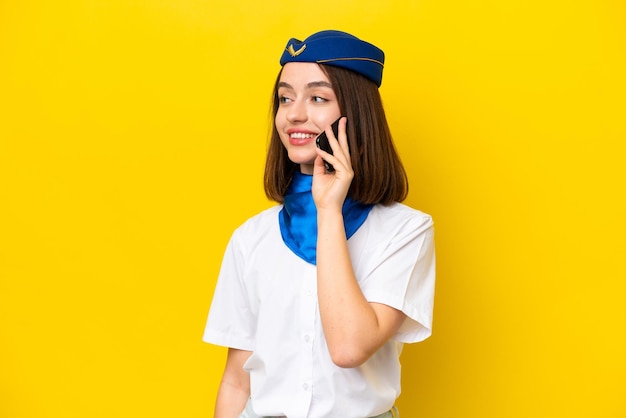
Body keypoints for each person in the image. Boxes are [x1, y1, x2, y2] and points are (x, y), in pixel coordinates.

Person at [204, 30, 436, 418]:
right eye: (284, 98)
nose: (294, 114)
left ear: (356, 114)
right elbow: (236, 380)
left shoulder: (404, 231)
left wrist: (328, 210)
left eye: (317, 98)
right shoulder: (251, 238)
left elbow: (348, 347)